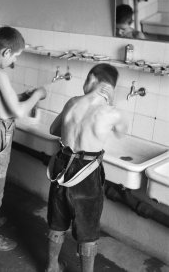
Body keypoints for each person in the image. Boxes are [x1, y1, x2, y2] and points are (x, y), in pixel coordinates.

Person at [46, 63, 128, 272]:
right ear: (110, 87)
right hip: (87, 173)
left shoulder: (72, 102)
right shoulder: (112, 112)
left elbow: (54, 129)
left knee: (58, 219)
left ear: (92, 77)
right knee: (87, 229)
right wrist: (114, 101)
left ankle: (51, 267)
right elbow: (121, 133)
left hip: (62, 168)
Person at [0, 26, 47, 251]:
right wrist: (37, 94)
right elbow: (20, 112)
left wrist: (18, 97)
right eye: (14, 56)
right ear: (5, 52)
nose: (14, 61)